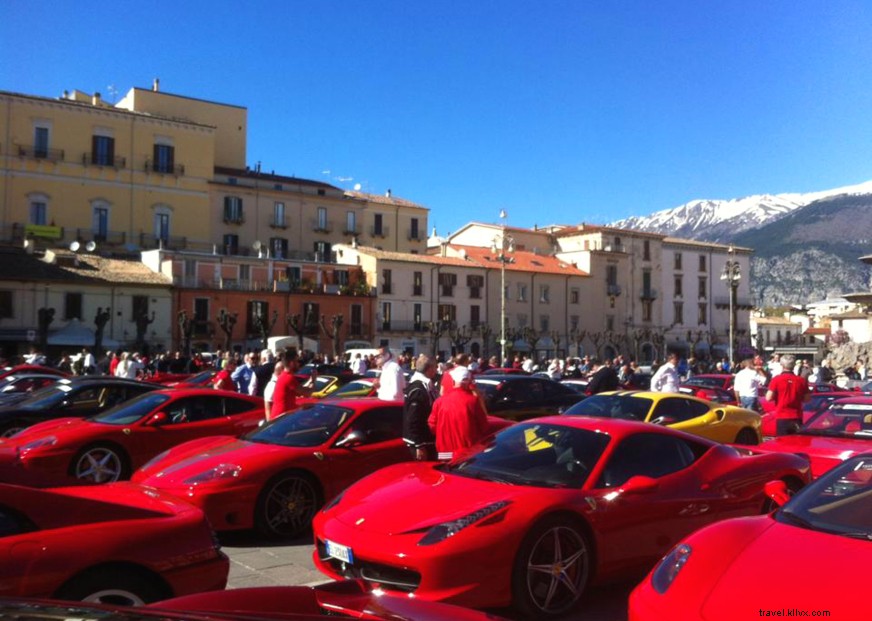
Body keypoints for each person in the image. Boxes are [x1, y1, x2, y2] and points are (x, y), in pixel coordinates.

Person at [428, 366, 489, 461]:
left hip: (444, 452)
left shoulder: (439, 402)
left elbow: (432, 425)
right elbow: (483, 426)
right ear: (468, 383)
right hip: (467, 452)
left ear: (453, 382)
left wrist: (442, 435)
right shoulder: (472, 401)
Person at [403, 354, 439, 460]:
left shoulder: (424, 385)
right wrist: (419, 445)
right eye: (435, 367)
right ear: (429, 368)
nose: (436, 370)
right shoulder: (418, 389)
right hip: (421, 442)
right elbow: (413, 419)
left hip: (425, 439)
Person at [765, 354, 810, 436]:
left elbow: (768, 398)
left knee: (782, 443)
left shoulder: (776, 379)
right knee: (796, 442)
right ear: (793, 366)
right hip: (797, 416)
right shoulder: (801, 381)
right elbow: (807, 399)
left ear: (781, 365)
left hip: (782, 416)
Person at [270, 349, 316, 420]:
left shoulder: (283, 376)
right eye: (297, 361)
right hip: (281, 419)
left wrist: (310, 381)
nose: (299, 364)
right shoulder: (288, 378)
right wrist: (313, 380)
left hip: (280, 417)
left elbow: (299, 392)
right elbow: (307, 393)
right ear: (291, 363)